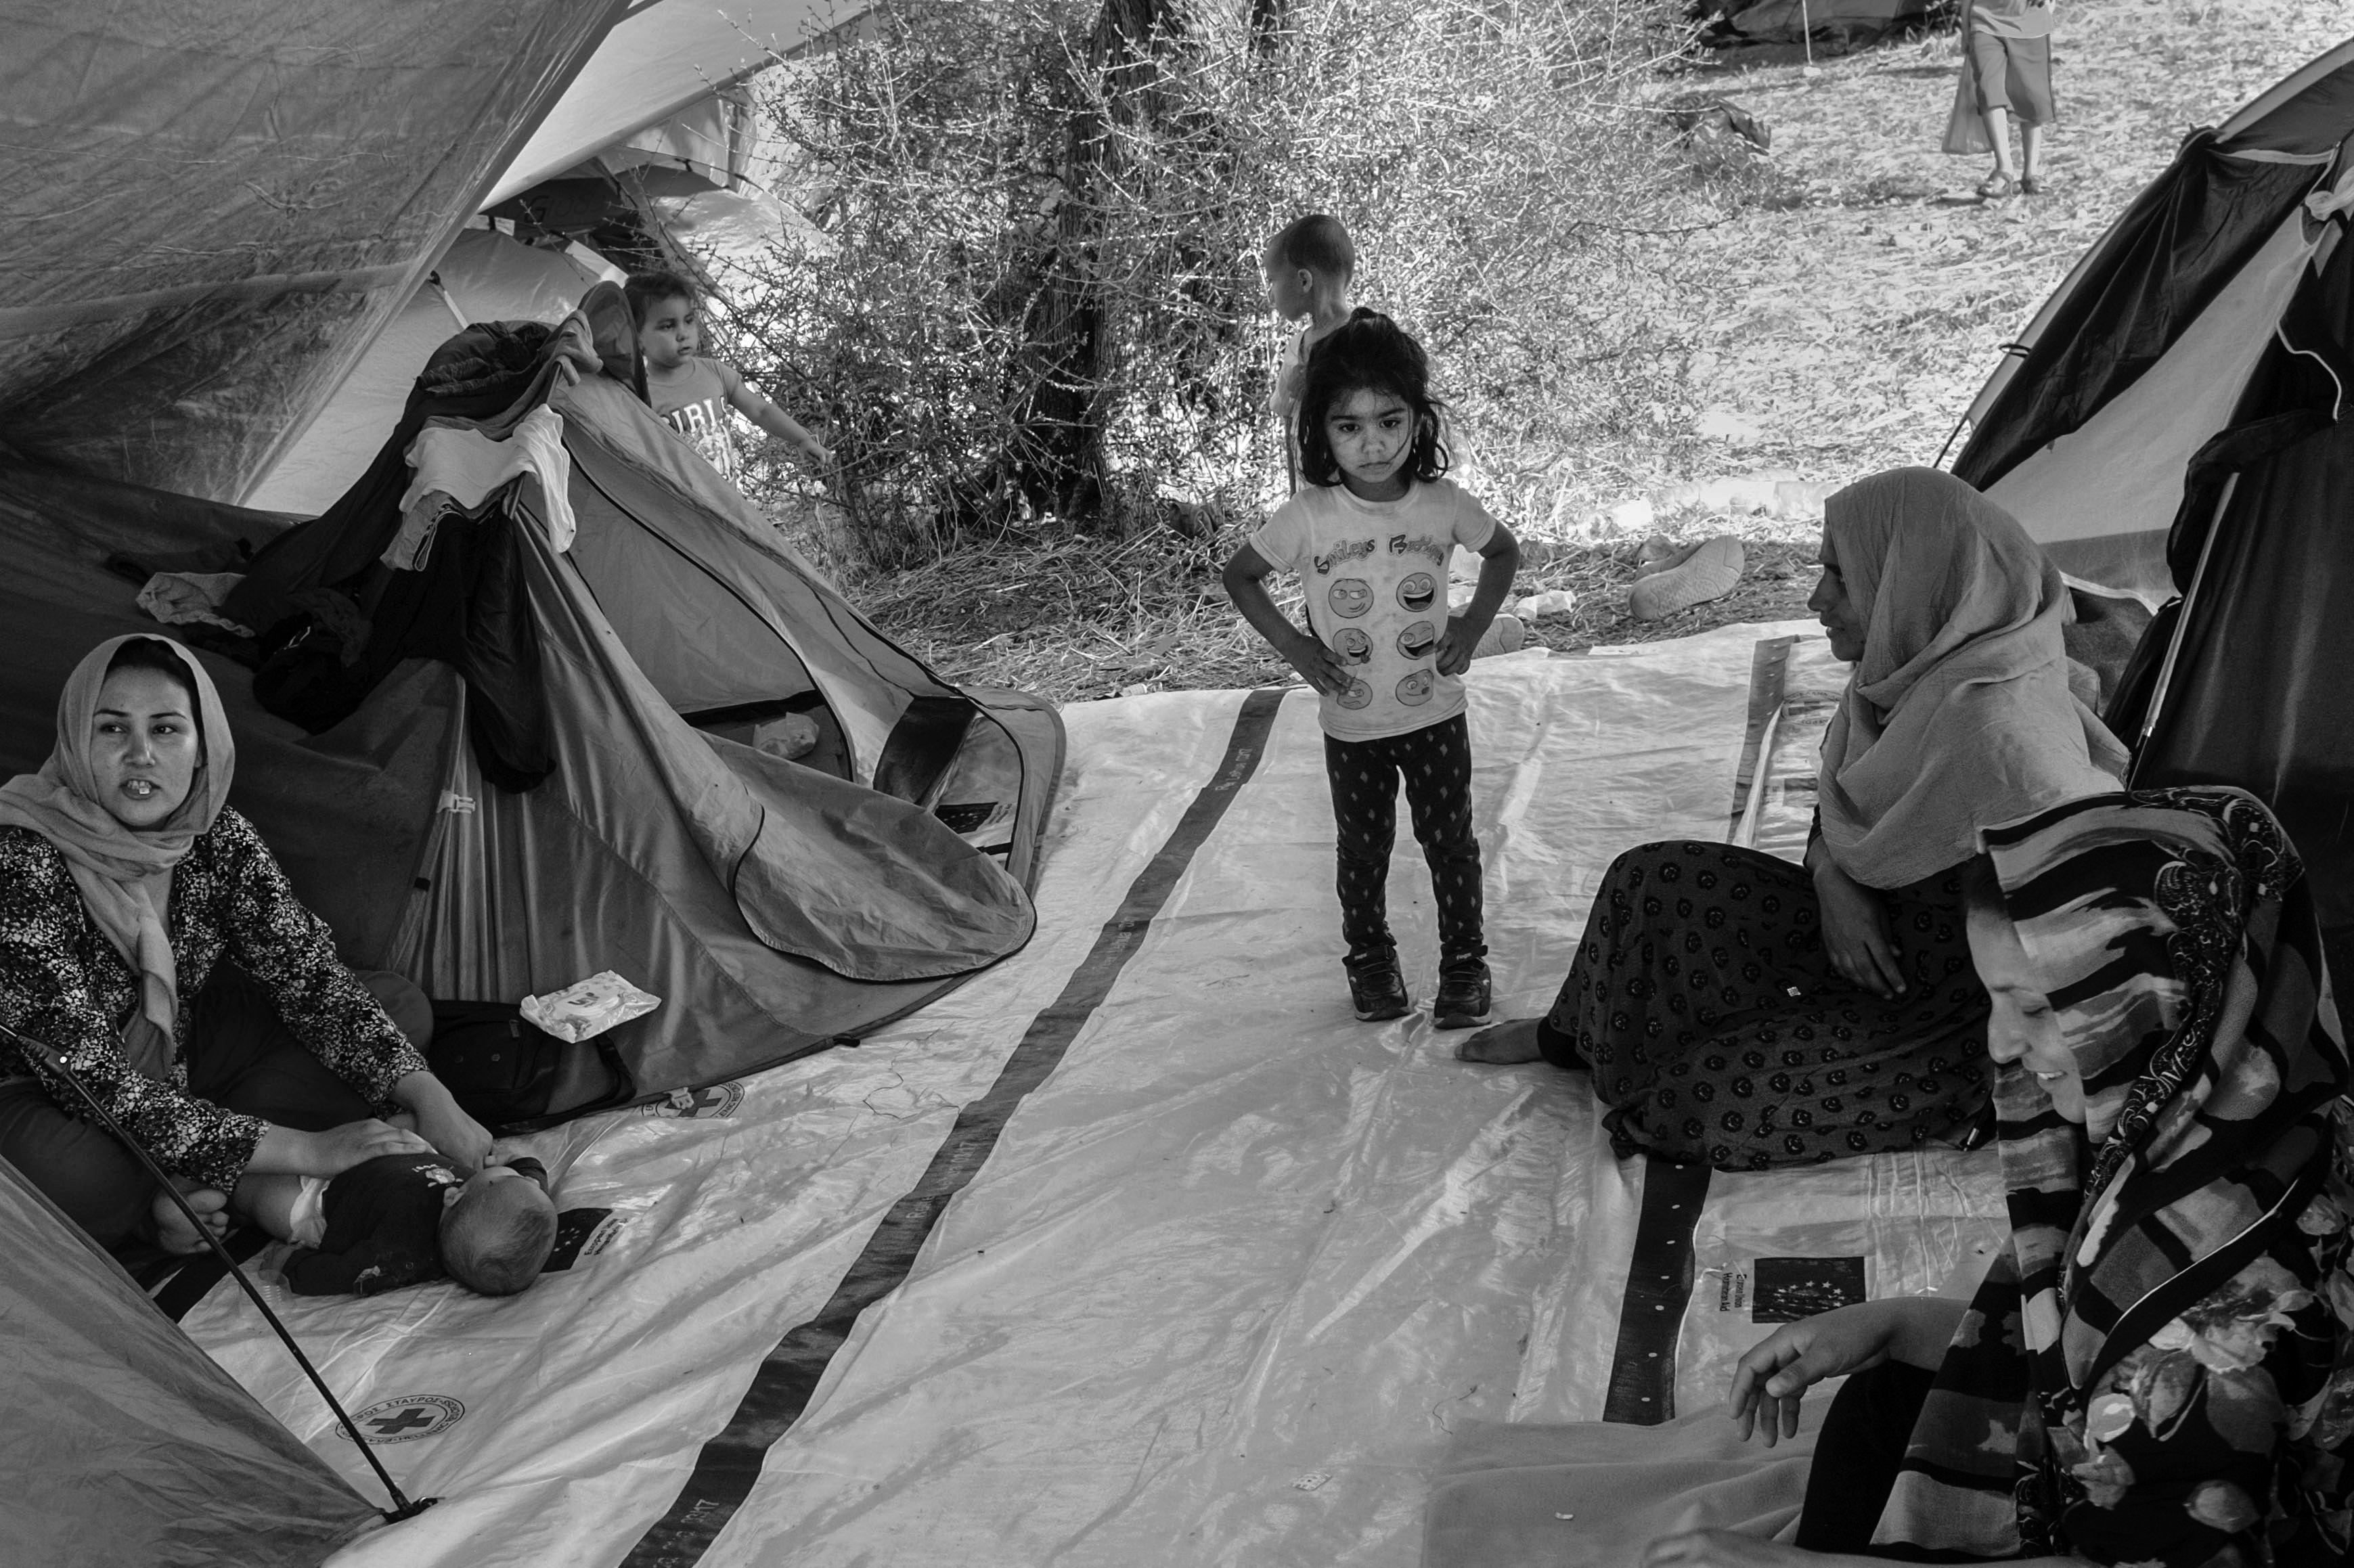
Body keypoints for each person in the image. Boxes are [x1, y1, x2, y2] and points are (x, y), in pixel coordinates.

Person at [1643, 787, 2352, 1567]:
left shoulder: (2205, 1325)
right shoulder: (2254, 1114)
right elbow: (2082, 1341)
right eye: (1993, 1000)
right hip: (2152, 1470)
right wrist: (1892, 1322)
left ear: (2164, 995)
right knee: (1886, 1399)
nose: (2001, 1043)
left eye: (2039, 1009)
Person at [1457, 468, 2129, 1171]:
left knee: (1708, 1097)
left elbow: (2071, 963)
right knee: (1651, 880)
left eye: (1841, 577)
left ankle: (1903, 1092)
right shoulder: (1900, 679)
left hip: (1952, 1021)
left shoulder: (2007, 746)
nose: (1816, 600)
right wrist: (1833, 878)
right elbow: (1838, 813)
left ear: (1913, 581)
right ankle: (1576, 1033)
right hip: (1868, 935)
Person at [0, 635, 495, 1255]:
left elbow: (307, 975)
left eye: (166, 729)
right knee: (75, 1178)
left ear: (203, 746)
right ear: (76, 739)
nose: (140, 754)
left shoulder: (215, 835)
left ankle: (203, 1171)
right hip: (50, 1089)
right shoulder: (21, 859)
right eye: (111, 729)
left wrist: (431, 1095)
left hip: (185, 1052)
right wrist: (313, 1149)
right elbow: (91, 1080)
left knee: (398, 1008)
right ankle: (213, 1179)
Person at [1223, 311, 1522, 1027]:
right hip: (1351, 724)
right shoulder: (1309, 515)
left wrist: (1471, 624)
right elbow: (1240, 576)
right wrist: (1297, 649)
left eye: (1390, 420)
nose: (1373, 442)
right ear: (1319, 434)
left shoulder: (1443, 505)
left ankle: (1464, 965)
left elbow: (1504, 552)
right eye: (1348, 426)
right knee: (1363, 850)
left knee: (1451, 844)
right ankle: (1369, 961)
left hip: (1434, 714)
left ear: (1418, 421)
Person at [243, 1152, 558, 1297]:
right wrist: (527, 1170)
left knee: (264, 1199)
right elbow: (531, 1194)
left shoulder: (401, 1255)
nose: (517, 1176)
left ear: (452, 1198)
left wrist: (291, 1265)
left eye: (511, 1177)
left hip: (324, 1202)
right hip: (367, 1154)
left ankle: (229, 1193)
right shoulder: (494, 1202)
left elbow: (341, 1274)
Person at [624, 269, 830, 487]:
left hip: (729, 500)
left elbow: (760, 410)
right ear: (637, 338)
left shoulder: (714, 372)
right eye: (668, 326)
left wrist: (801, 439)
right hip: (679, 507)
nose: (683, 333)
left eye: (689, 320)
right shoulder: (638, 394)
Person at [1262, 213, 1358, 490]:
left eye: (1274, 281)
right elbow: (1289, 428)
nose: (1271, 294)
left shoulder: (1366, 344)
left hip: (1360, 505)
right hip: (1314, 505)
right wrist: (1295, 498)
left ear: (1304, 281)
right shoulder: (1296, 348)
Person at [1947, 0, 2059, 199]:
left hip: (2030, 22)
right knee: (1989, 89)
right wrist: (1965, 29)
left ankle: (2031, 173)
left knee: (2033, 97)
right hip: (1984, 21)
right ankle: (2004, 170)